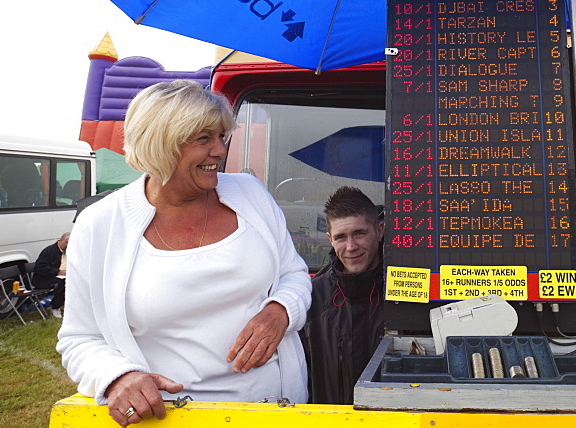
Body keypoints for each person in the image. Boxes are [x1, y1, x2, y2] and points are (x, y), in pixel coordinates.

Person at [58, 80, 311, 426]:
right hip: (169, 417)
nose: (220, 151)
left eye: (222, 136)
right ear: (159, 144)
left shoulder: (251, 194)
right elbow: (79, 338)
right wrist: (119, 377)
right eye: (204, 139)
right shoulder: (99, 224)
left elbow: (293, 275)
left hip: (275, 411)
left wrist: (281, 310)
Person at [303, 186, 384, 404]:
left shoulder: (405, 295)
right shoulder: (310, 297)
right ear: (330, 239)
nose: (351, 247)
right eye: (341, 237)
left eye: (359, 233)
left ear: (379, 231)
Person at [33, 232, 70, 318]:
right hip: (43, 279)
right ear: (60, 240)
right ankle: (55, 308)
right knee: (61, 284)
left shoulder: (69, 252)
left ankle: (68, 306)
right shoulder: (49, 251)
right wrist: (57, 272)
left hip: (61, 276)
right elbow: (40, 268)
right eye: (66, 242)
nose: (68, 245)